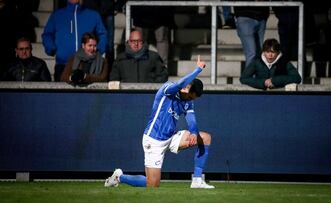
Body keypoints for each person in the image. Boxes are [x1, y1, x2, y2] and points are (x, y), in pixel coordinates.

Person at [104, 55, 214, 189]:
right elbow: (180, 84)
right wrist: (197, 70)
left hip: (171, 137)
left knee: (205, 138)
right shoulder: (168, 89)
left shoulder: (188, 101)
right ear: (186, 88)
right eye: (190, 96)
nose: (190, 100)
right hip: (153, 140)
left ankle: (197, 180)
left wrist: (193, 133)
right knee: (152, 184)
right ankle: (119, 177)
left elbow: (192, 119)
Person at [42, 0, 107, 82]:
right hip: (63, 65)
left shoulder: (93, 15)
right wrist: (51, 48)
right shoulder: (57, 15)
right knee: (62, 94)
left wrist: (98, 49)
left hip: (87, 65)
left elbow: (103, 34)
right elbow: (47, 34)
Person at [230, 0, 270, 68]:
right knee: (251, 53)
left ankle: (252, 77)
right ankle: (249, 78)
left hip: (261, 15)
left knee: (258, 54)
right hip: (245, 15)